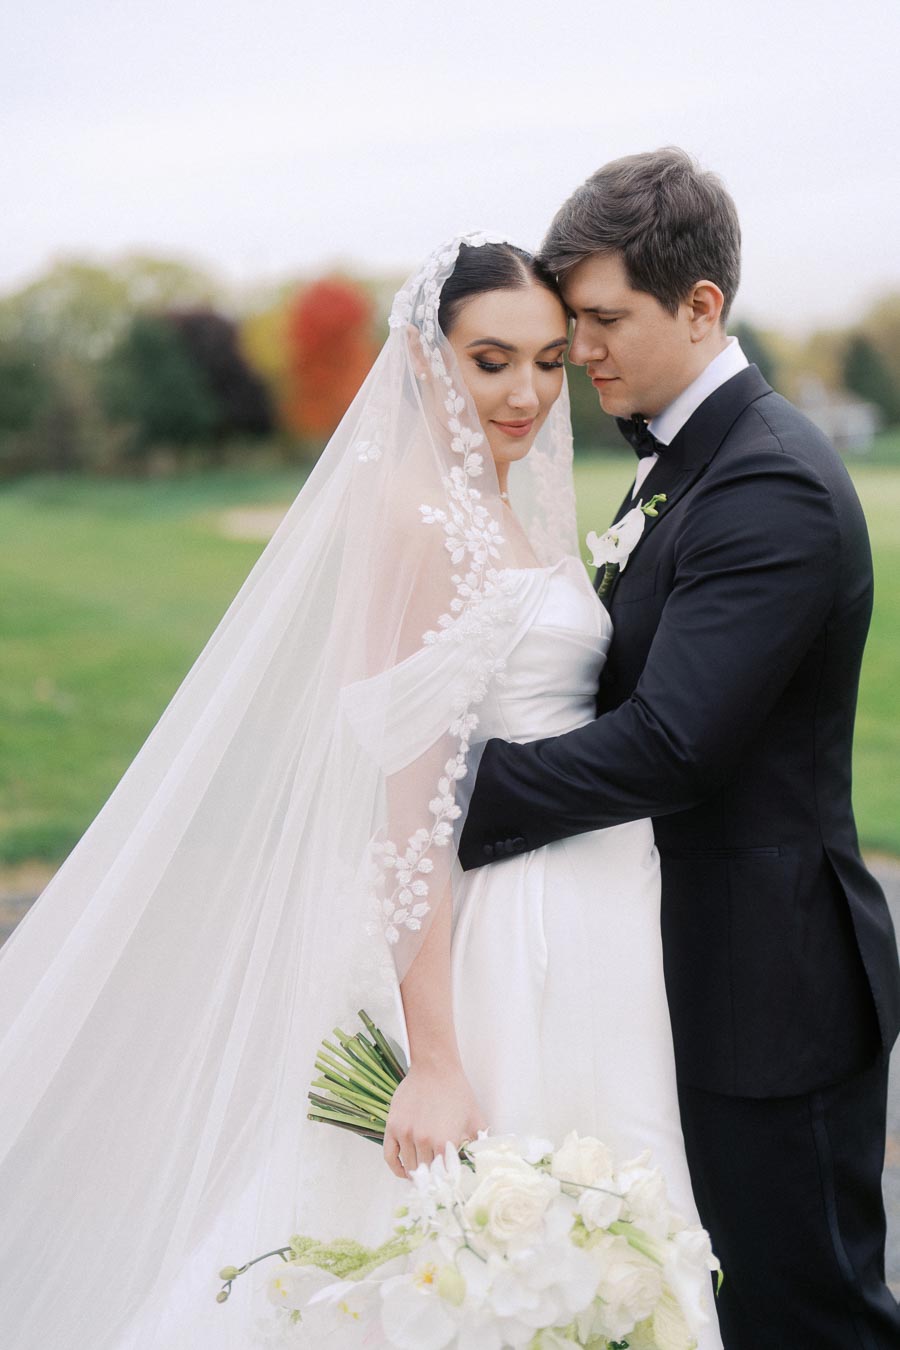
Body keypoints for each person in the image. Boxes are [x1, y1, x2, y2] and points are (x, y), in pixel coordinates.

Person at [0, 232, 723, 1350]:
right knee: (493, 1244)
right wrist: (433, 1058)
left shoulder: (511, 510)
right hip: (505, 938)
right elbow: (408, 812)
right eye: (491, 361)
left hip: (595, 916)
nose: (527, 391)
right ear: (426, 358)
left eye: (546, 360)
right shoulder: (415, 522)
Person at [458, 149, 900, 1347]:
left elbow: (671, 743)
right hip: (680, 973)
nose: (580, 353)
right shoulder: (679, 467)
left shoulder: (770, 484)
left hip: (773, 990)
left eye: (603, 320)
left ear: (702, 306)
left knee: (809, 1317)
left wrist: (464, 800)